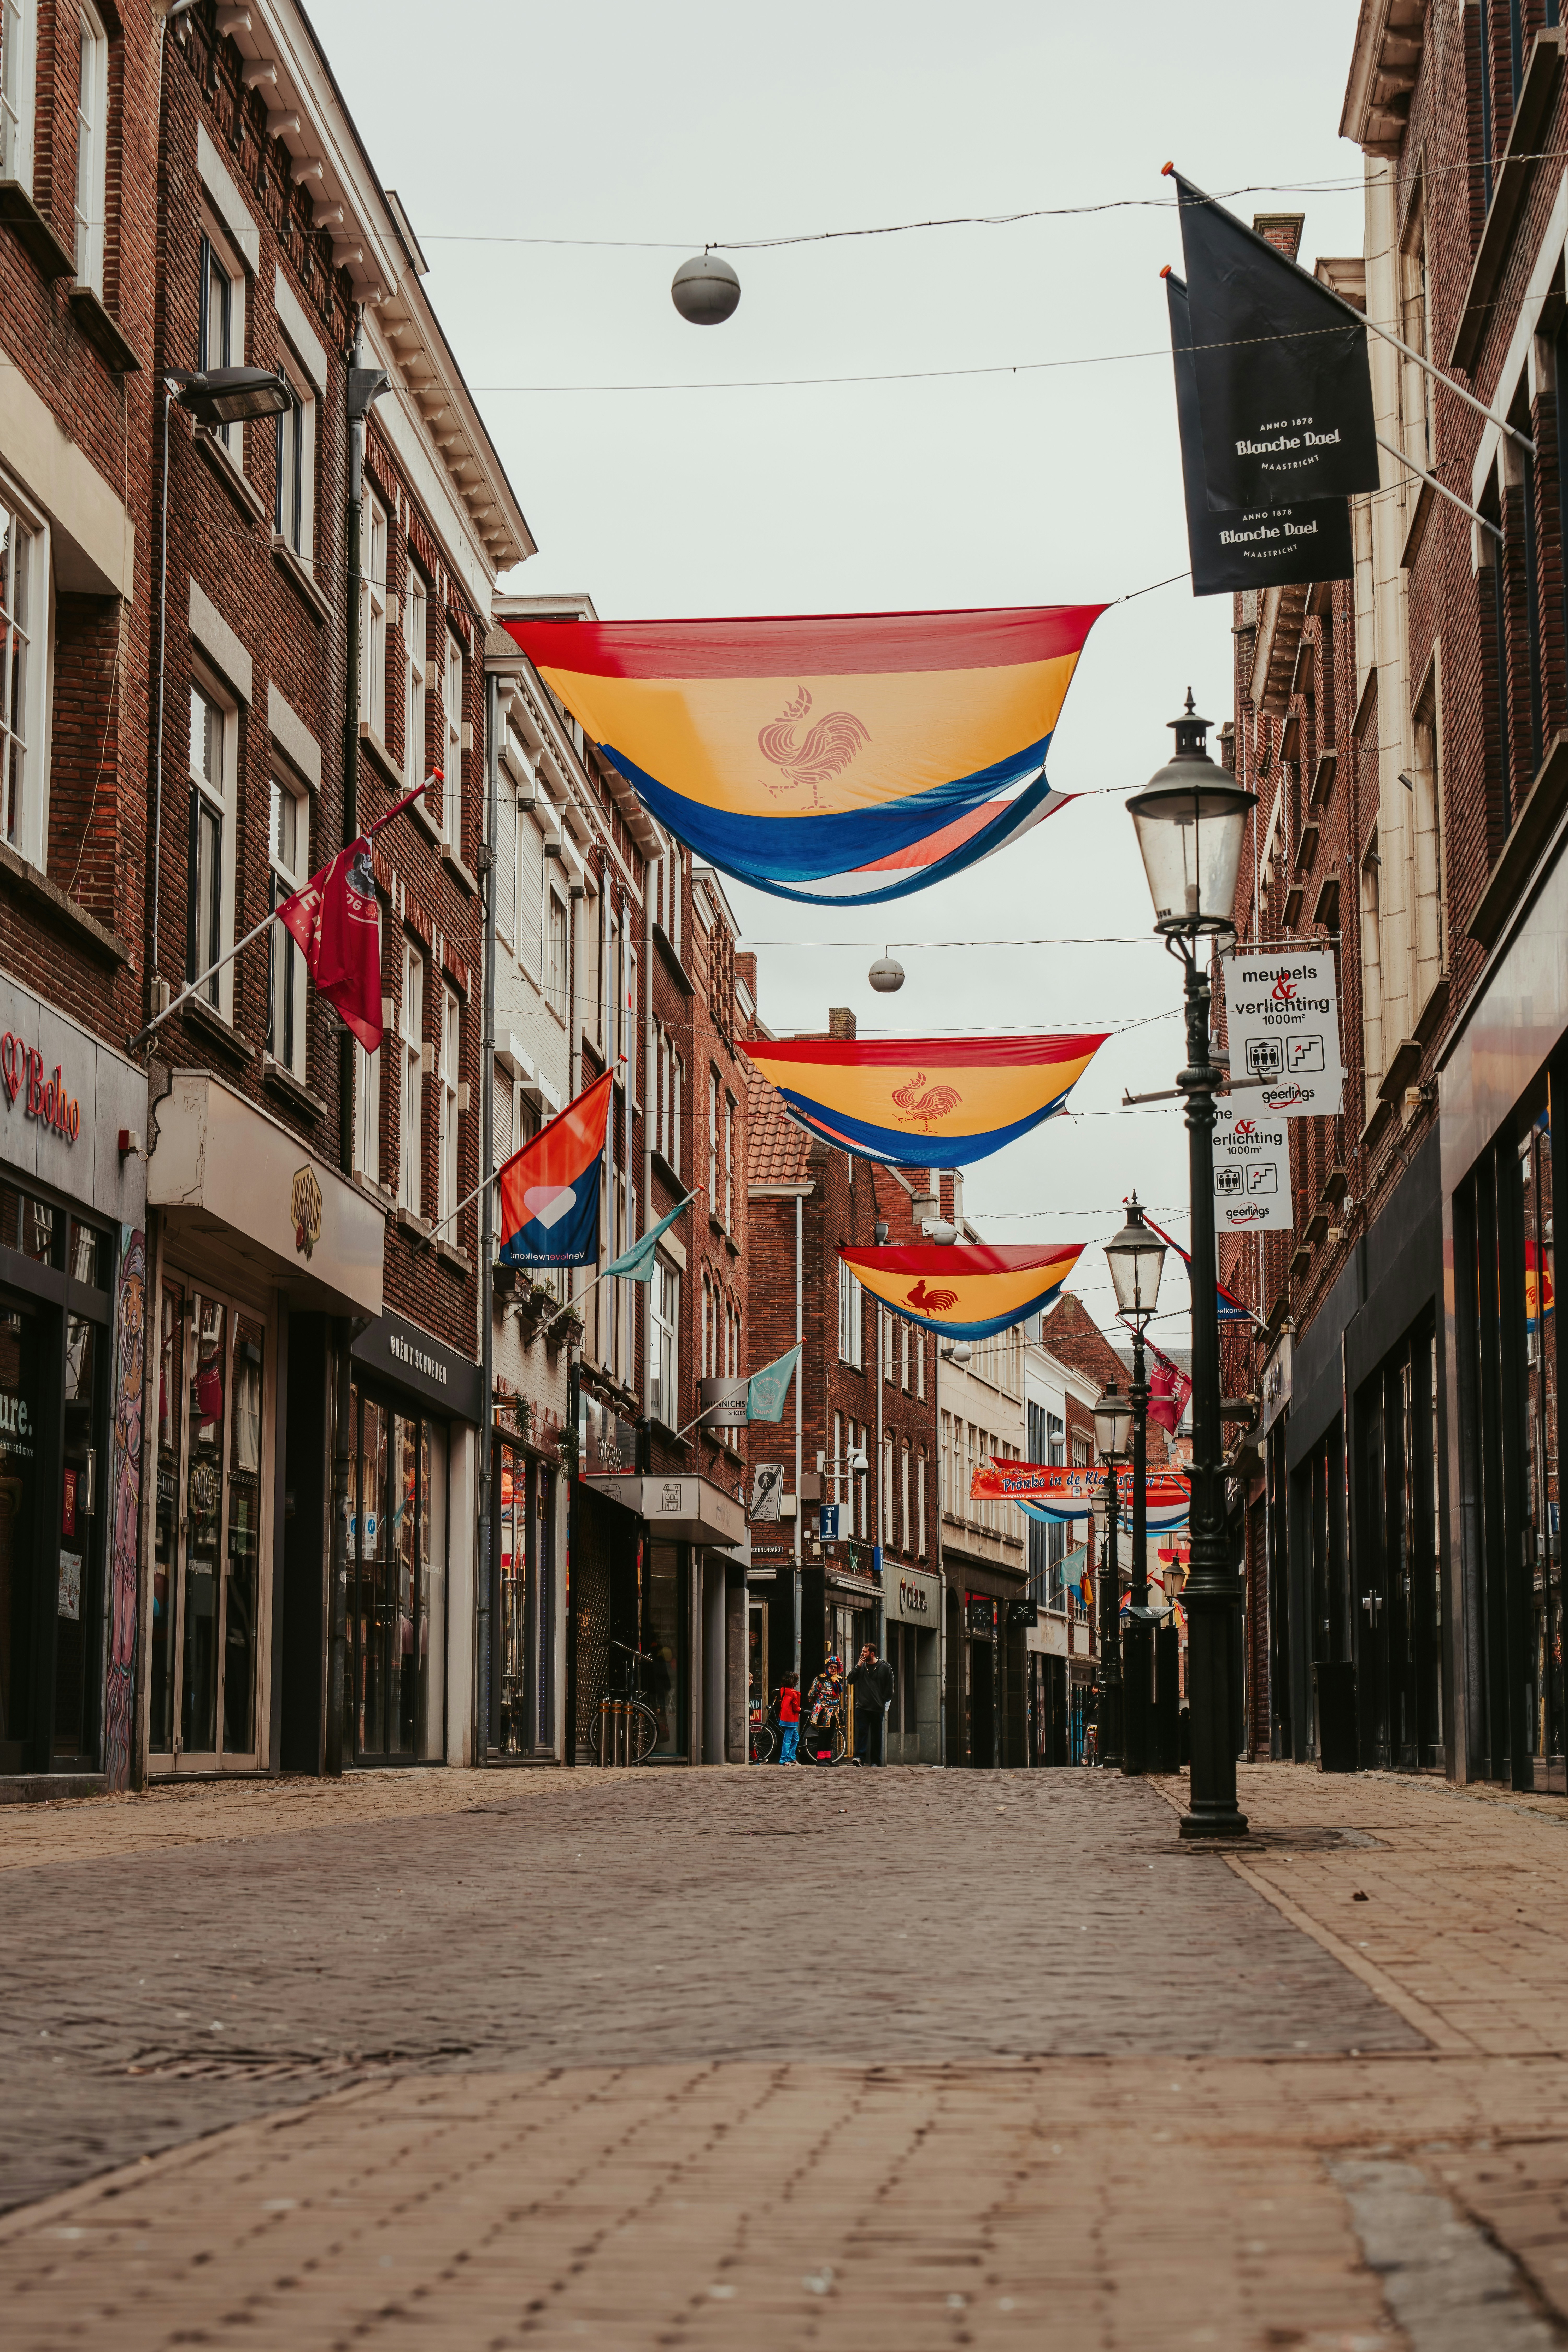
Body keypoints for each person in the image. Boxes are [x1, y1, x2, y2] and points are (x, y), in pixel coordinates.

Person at [848, 1643, 895, 1766]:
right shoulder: (861, 1666)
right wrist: (858, 1667)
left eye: (865, 1652)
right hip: (862, 1707)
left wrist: (882, 1701)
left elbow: (890, 1689)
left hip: (877, 1708)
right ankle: (860, 1758)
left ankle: (875, 1762)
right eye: (862, 1651)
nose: (862, 1654)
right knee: (862, 1732)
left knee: (876, 1735)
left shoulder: (885, 1667)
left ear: (872, 1654)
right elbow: (851, 1681)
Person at [803, 1653, 844, 1763]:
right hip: (824, 1711)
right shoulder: (821, 1679)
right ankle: (820, 1759)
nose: (833, 1669)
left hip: (835, 1712)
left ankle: (828, 1758)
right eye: (831, 1667)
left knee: (831, 1734)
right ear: (827, 1668)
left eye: (836, 1667)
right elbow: (811, 1694)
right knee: (823, 1735)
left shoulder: (839, 1681)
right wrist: (818, 1704)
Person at [777, 1673, 801, 1765]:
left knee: (796, 1738)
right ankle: (784, 1759)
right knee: (789, 1739)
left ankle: (791, 1757)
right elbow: (796, 1708)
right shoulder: (794, 1693)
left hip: (785, 1718)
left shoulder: (784, 1691)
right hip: (791, 1720)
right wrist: (800, 1709)